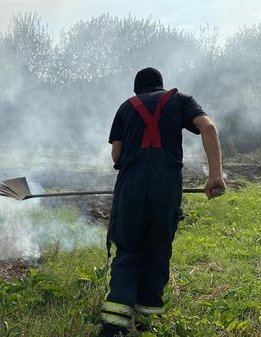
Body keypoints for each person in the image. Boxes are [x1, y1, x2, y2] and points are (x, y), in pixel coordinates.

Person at [99, 67, 226, 336]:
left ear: (138, 90)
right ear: (160, 85)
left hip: (132, 186)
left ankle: (114, 325)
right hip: (166, 187)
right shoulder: (181, 100)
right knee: (158, 248)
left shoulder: (126, 107)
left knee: (129, 247)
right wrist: (215, 176)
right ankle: (145, 320)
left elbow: (116, 155)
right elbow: (208, 127)